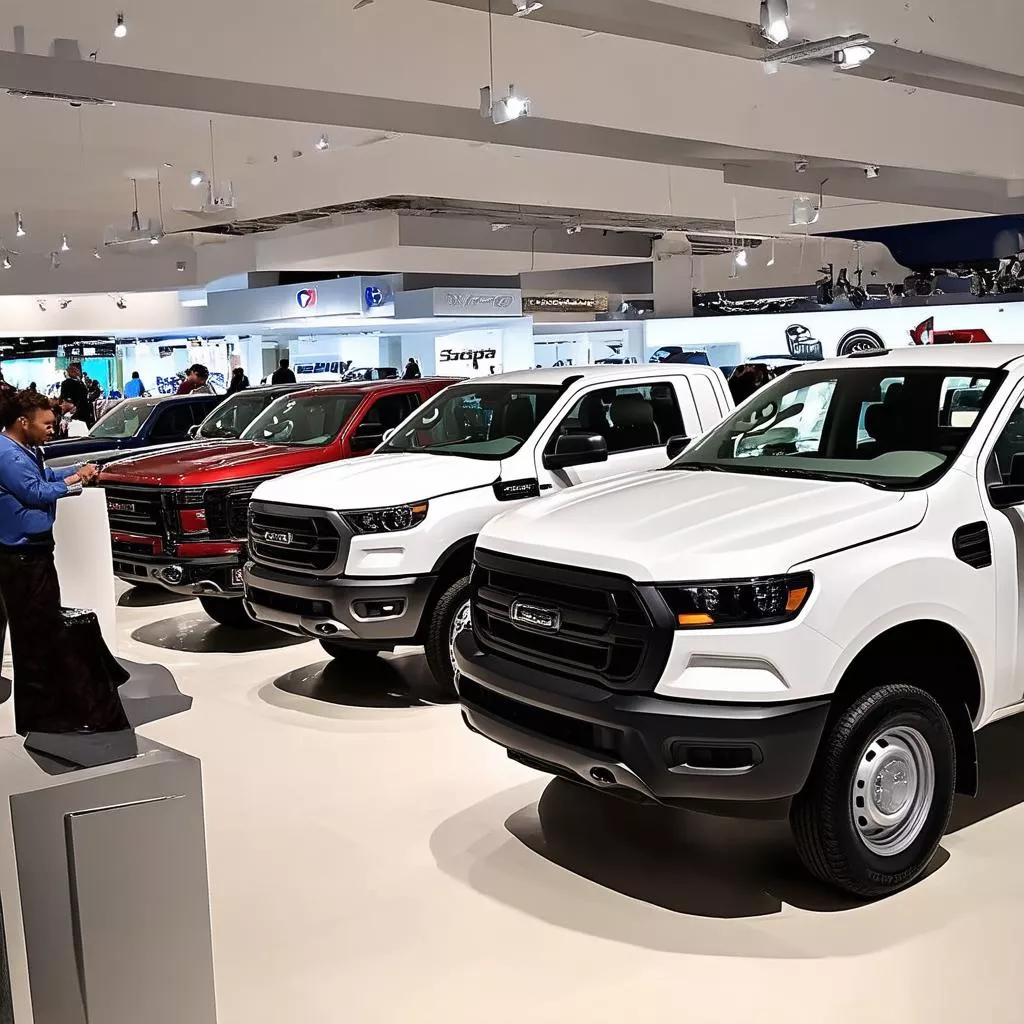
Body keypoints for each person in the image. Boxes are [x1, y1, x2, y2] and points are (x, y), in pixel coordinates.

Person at [0, 390, 105, 734]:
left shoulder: (24, 450)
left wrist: (74, 470)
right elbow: (34, 492)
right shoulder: (8, 456)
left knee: (42, 634)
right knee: (33, 639)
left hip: (34, 554)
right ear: (23, 421)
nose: (53, 427)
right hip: (22, 559)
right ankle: (41, 719)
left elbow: (43, 479)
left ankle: (49, 712)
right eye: (47, 423)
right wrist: (77, 481)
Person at [59, 362, 93, 427]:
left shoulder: (66, 383)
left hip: (73, 414)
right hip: (83, 415)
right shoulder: (81, 384)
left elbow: (65, 399)